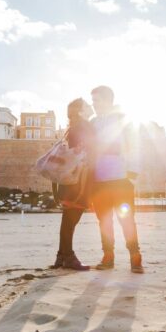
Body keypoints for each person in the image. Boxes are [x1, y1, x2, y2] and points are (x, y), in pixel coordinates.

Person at [90, 85, 144, 274]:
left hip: (121, 179)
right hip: (98, 181)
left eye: (96, 100)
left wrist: (133, 173)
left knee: (127, 219)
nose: (94, 104)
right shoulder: (93, 123)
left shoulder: (123, 120)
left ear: (107, 100)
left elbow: (135, 145)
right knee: (104, 220)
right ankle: (108, 256)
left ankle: (135, 257)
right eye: (93, 100)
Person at [50, 98, 94, 271]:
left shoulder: (71, 129)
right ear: (81, 111)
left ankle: (61, 256)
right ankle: (68, 256)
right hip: (79, 180)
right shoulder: (84, 127)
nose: (91, 107)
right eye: (87, 105)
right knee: (71, 220)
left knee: (67, 220)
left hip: (69, 180)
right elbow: (89, 150)